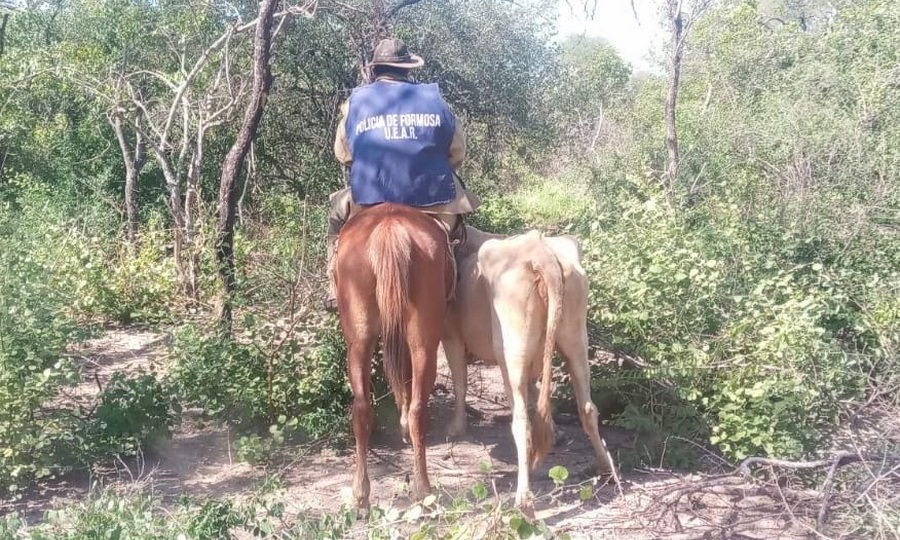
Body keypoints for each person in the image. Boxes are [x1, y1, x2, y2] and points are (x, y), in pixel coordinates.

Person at [324, 37, 480, 311]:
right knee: (455, 237)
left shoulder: (355, 103)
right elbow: (457, 152)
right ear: (409, 69)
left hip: (370, 196)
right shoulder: (435, 100)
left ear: (374, 70)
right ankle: (454, 286)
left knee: (337, 218)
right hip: (433, 197)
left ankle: (333, 288)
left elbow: (343, 153)